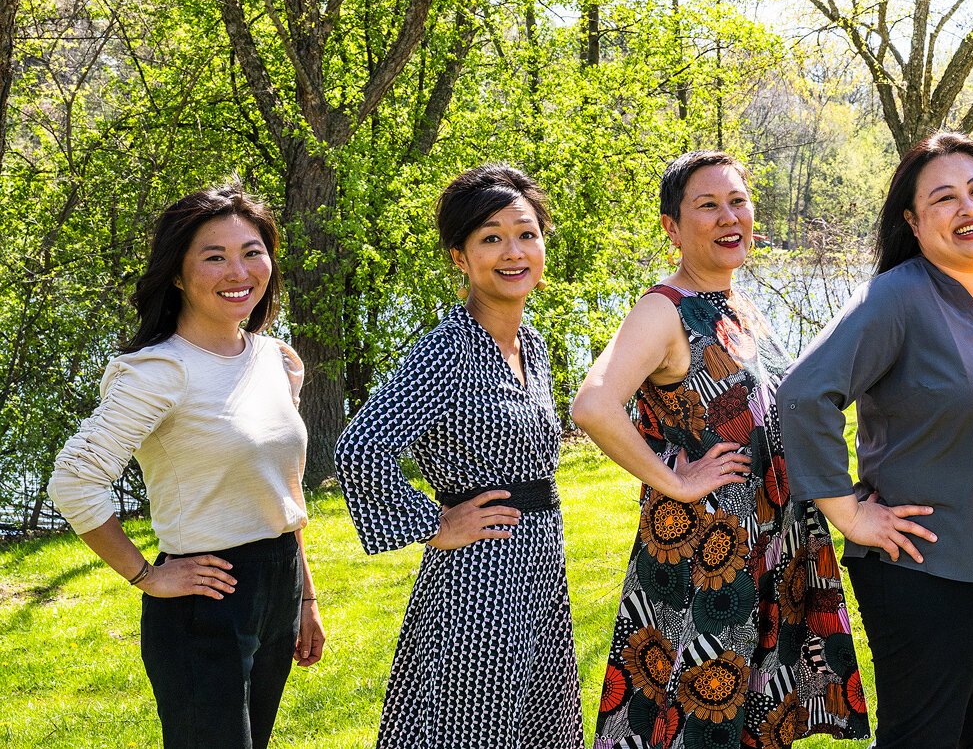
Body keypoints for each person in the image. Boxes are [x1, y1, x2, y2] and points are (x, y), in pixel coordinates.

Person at [774, 131, 973, 749]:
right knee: (924, 739)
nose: (969, 208)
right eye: (944, 198)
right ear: (913, 222)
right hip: (926, 567)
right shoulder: (896, 297)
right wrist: (849, 513)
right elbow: (804, 394)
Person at [571, 150, 867, 749]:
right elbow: (593, 406)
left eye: (738, 201)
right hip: (705, 556)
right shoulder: (665, 310)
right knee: (693, 713)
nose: (730, 216)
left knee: (749, 716)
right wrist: (675, 481)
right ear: (672, 228)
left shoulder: (740, 305)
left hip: (767, 543)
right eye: (707, 205)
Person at [48, 184, 323, 748]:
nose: (237, 271)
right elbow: (75, 482)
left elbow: (277, 490)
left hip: (279, 583)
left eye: (252, 251)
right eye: (214, 256)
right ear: (177, 273)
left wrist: (305, 598)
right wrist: (148, 576)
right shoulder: (158, 371)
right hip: (205, 600)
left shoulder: (274, 359)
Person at [334, 164, 582, 748]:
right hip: (480, 578)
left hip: (540, 571)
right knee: (472, 728)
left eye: (525, 233)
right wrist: (436, 524)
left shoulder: (533, 344)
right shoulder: (449, 347)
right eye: (490, 238)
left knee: (540, 728)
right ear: (460, 257)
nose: (513, 251)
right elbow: (359, 449)